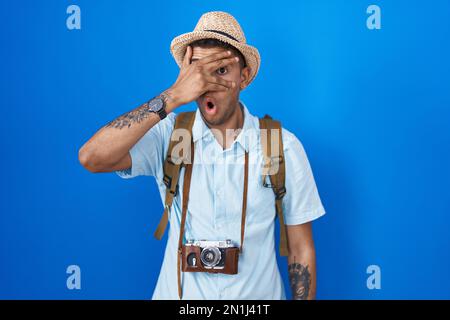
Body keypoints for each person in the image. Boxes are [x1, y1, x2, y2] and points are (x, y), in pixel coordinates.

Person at [78, 11, 325, 300]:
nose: (207, 84)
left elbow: (300, 248)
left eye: (220, 70)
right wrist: (172, 96)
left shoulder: (281, 146)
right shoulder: (168, 136)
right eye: (198, 71)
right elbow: (91, 157)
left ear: (244, 77)